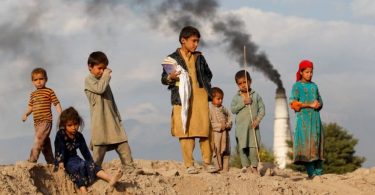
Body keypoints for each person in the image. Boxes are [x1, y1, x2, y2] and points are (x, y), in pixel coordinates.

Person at [161, 26, 216, 174]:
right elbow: (164, 79)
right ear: (183, 40)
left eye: (197, 41)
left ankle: (207, 162)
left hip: (200, 97)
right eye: (193, 41)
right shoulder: (171, 59)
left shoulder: (200, 57)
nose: (196, 44)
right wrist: (171, 78)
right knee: (185, 131)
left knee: (205, 130)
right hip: (181, 99)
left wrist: (204, 86)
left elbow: (208, 74)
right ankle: (189, 164)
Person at [54, 107, 122, 194]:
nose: (74, 127)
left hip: (75, 158)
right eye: (70, 125)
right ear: (64, 125)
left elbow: (85, 151)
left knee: (89, 165)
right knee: (76, 169)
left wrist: (91, 163)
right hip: (65, 161)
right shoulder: (61, 134)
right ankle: (83, 191)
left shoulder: (79, 136)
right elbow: (59, 148)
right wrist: (60, 162)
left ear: (79, 123)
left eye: (76, 124)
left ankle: (110, 178)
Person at [84, 51, 133, 169]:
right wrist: (106, 75)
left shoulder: (103, 80)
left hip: (113, 121)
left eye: (104, 68)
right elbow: (100, 89)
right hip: (100, 123)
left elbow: (111, 101)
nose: (102, 71)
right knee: (98, 156)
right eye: (99, 68)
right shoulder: (89, 80)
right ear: (90, 67)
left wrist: (118, 117)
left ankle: (130, 170)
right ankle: (93, 174)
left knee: (123, 146)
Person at [289, 60, 324, 178]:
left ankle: (319, 173)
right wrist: (309, 105)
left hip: (315, 120)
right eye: (307, 72)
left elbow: (320, 100)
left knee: (317, 143)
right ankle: (311, 173)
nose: (310, 74)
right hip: (303, 121)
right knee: (307, 146)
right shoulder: (297, 86)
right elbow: (293, 103)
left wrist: (319, 104)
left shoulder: (314, 86)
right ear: (301, 72)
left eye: (311, 72)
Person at [22, 67, 62, 164]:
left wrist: (61, 114)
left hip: (46, 121)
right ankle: (51, 162)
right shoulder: (33, 94)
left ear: (46, 79)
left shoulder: (49, 91)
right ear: (32, 81)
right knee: (44, 143)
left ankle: (32, 159)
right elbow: (31, 107)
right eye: (36, 80)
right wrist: (26, 114)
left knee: (38, 139)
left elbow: (56, 103)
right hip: (37, 123)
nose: (39, 82)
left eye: (41, 79)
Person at [231, 70, 265, 174]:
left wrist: (257, 120)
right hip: (241, 129)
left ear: (250, 81)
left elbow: (262, 109)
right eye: (240, 83)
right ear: (237, 85)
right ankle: (246, 166)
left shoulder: (256, 95)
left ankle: (254, 167)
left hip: (253, 128)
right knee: (242, 148)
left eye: (245, 82)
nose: (243, 85)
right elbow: (233, 109)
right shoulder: (236, 97)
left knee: (253, 148)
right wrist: (243, 102)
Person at [209, 87, 232, 172]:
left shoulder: (223, 108)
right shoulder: (209, 109)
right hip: (216, 134)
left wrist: (228, 124)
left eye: (222, 99)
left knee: (226, 150)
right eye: (218, 99)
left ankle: (225, 169)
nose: (221, 101)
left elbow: (229, 116)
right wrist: (219, 126)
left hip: (225, 134)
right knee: (217, 150)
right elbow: (210, 123)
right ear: (212, 98)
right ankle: (218, 167)